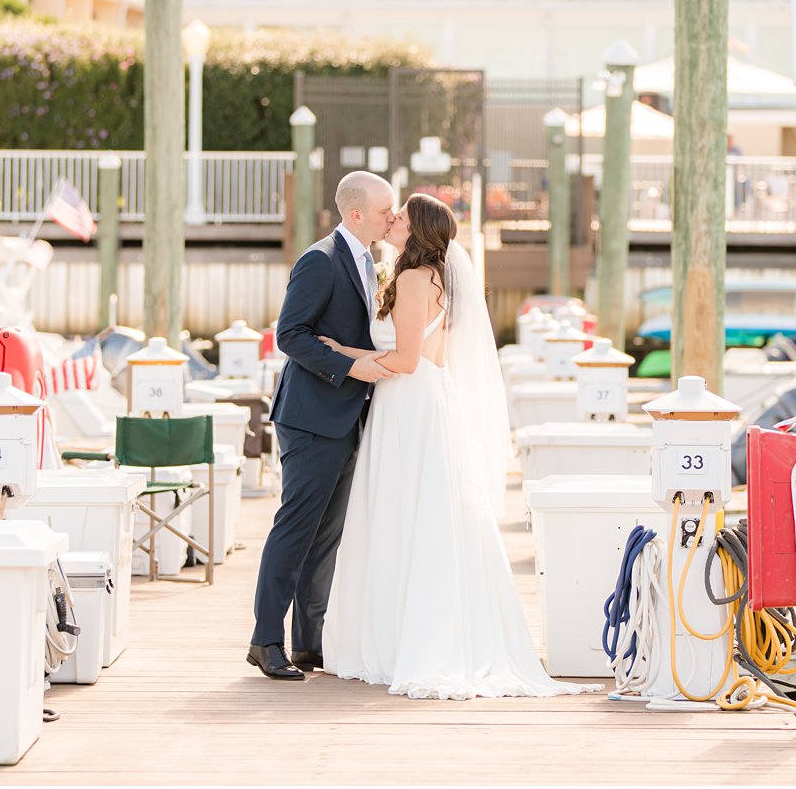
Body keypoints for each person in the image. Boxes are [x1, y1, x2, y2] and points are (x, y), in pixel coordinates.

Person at [315, 193, 599, 699]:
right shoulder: (437, 279)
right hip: (427, 401)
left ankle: (404, 640)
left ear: (417, 230)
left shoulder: (408, 279)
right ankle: (423, 632)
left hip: (407, 403)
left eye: (401, 216)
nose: (393, 219)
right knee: (428, 518)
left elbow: (403, 361)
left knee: (402, 516)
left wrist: (340, 351)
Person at [247, 171, 395, 680]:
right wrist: (353, 366)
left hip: (348, 416)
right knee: (295, 530)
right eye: (384, 211)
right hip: (312, 417)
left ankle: (309, 642)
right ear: (355, 214)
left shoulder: (368, 260)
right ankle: (265, 640)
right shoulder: (320, 259)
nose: (391, 218)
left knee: (326, 537)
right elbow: (290, 334)